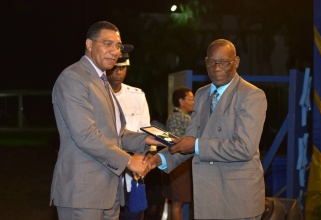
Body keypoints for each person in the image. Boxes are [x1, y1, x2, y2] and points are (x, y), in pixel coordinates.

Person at [144, 39, 267, 220]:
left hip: (237, 200)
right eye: (211, 62)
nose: (217, 68)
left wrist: (196, 145)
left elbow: (243, 147)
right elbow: (189, 140)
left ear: (236, 62)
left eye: (224, 62)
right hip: (207, 198)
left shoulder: (251, 95)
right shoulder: (201, 94)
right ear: (205, 62)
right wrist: (157, 160)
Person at [50, 21, 162, 220]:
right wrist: (129, 161)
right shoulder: (73, 78)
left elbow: (116, 133)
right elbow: (85, 135)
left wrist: (146, 140)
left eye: (118, 46)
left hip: (109, 195)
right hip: (82, 195)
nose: (115, 51)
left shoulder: (103, 82)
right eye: (107, 44)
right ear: (89, 44)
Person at [106, 43, 150, 220]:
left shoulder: (137, 95)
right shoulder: (100, 95)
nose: (118, 72)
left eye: (123, 68)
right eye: (115, 68)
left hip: (134, 174)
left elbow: (146, 134)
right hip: (108, 172)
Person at [161, 86, 194, 220]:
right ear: (181, 101)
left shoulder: (173, 117)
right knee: (177, 203)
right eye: (191, 99)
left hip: (174, 165)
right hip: (179, 166)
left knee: (176, 202)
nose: (193, 102)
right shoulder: (183, 118)